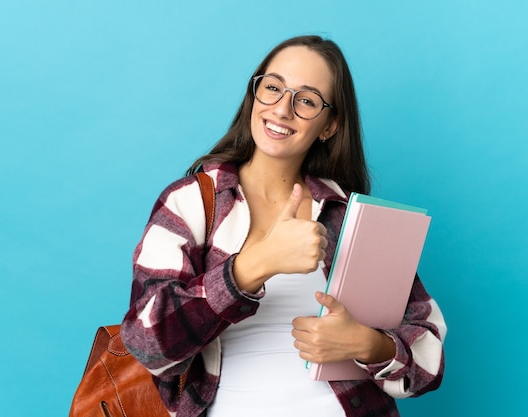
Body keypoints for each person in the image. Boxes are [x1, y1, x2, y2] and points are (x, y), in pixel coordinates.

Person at [121, 35, 446, 417]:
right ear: (254, 96)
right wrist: (253, 266)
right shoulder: (190, 203)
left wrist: (366, 345)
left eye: (306, 100)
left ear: (329, 125)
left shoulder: (351, 216)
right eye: (273, 88)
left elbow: (429, 360)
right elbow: (146, 344)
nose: (282, 109)